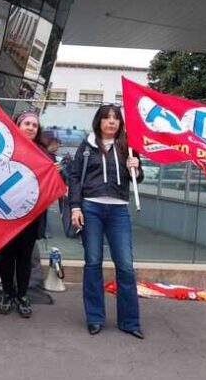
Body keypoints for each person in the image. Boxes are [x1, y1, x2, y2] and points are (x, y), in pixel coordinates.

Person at [68, 104, 145, 339]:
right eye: (107, 118)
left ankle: (130, 322)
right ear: (98, 121)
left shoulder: (127, 147)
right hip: (91, 208)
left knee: (125, 266)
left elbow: (137, 178)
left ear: (120, 123)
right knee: (93, 263)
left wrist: (137, 167)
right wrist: (75, 207)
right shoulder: (87, 146)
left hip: (119, 210)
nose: (111, 122)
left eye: (115, 118)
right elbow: (74, 177)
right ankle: (95, 318)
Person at [0, 111, 52, 318]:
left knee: (25, 256)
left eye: (34, 125)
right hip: (6, 211)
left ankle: (22, 295)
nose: (30, 127)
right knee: (7, 254)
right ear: (17, 126)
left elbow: (52, 182)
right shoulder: (6, 149)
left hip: (31, 214)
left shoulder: (44, 153)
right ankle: (7, 293)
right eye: (26, 123)